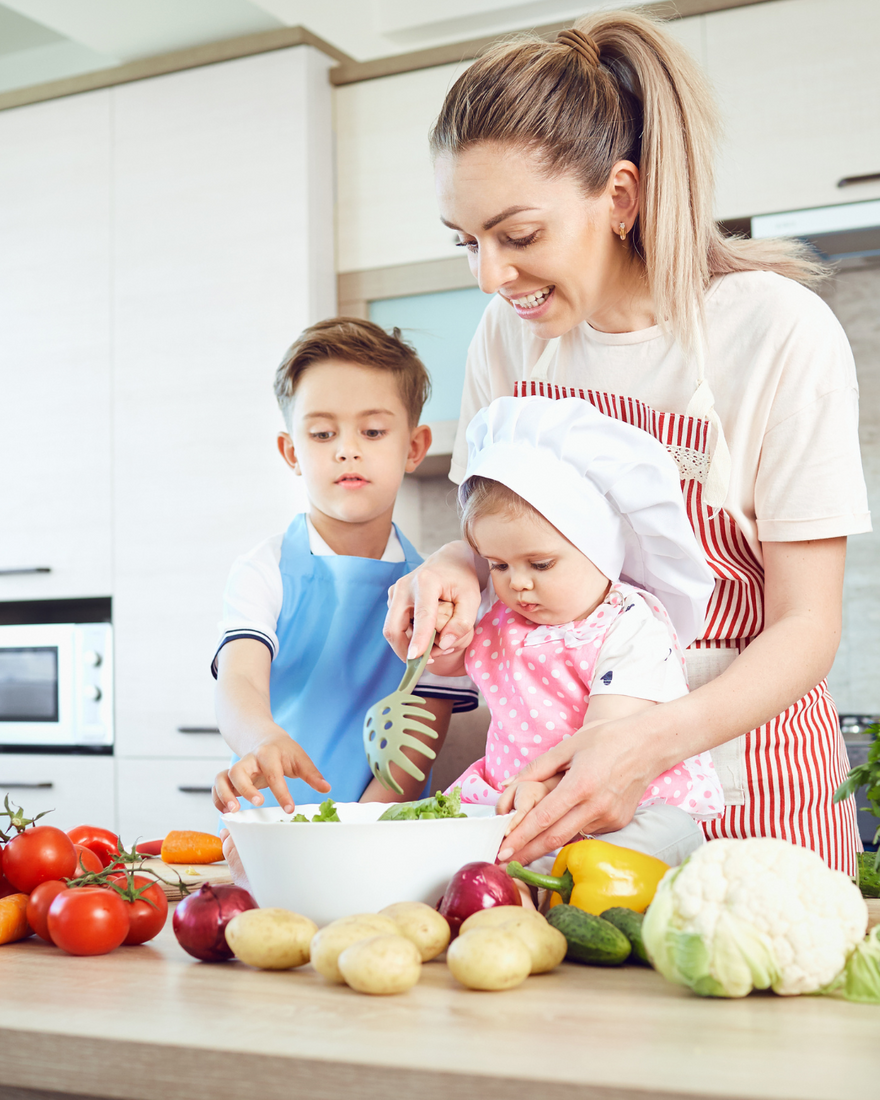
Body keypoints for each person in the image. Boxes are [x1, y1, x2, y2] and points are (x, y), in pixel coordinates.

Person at [384, 11, 870, 875]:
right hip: (558, 794)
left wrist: (648, 744)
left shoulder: (775, 331)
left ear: (620, 195)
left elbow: (807, 626)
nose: (491, 277)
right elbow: (491, 525)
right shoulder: (508, 336)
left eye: (519, 236)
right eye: (468, 242)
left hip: (746, 784)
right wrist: (455, 566)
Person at [429, 395, 724, 868]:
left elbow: (609, 732)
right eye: (498, 564)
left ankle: (527, 880)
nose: (517, 582)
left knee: (661, 835)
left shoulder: (630, 625)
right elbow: (450, 664)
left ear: (599, 548)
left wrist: (548, 792)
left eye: (540, 564)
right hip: (514, 801)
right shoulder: (503, 620)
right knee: (436, 843)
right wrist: (439, 636)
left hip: (622, 806)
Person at [211, 318, 477, 818]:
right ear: (292, 452)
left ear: (414, 447)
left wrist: (353, 831)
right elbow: (239, 683)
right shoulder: (263, 570)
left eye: (373, 431)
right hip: (268, 827)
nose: (346, 448)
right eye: (322, 432)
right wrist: (261, 736)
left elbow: (416, 746)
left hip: (378, 830)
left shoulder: (438, 596)